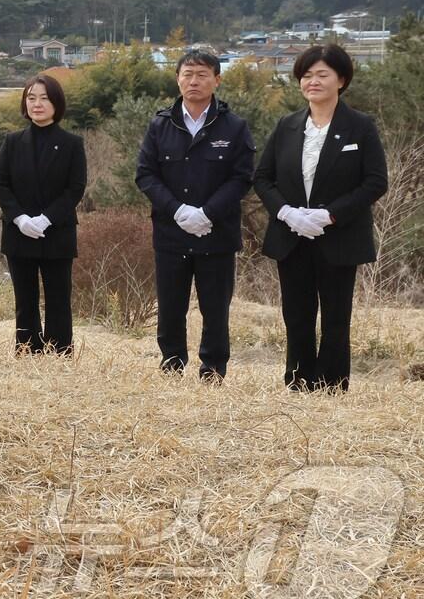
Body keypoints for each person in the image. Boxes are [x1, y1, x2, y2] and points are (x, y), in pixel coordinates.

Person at [253, 44, 388, 392]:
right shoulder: (287, 125)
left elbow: (375, 181)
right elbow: (262, 177)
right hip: (291, 234)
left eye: (322, 75)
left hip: (339, 235)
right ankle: (298, 381)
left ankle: (331, 384)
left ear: (341, 80)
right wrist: (286, 213)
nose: (313, 81)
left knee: (335, 316)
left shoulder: (359, 126)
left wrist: (330, 215)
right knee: (296, 314)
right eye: (307, 75)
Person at [135, 49, 256, 380]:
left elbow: (242, 177)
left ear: (217, 80)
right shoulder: (160, 125)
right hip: (171, 233)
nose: (194, 81)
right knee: (171, 306)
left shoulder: (234, 127)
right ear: (177, 79)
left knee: (215, 308)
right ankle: (172, 362)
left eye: (202, 74)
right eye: (187, 74)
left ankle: (213, 368)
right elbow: (145, 174)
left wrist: (207, 213)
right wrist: (178, 211)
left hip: (216, 234)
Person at [0, 74, 86, 354]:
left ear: (56, 103)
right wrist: (20, 218)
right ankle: (27, 348)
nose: (37, 104)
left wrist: (46, 218)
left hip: (56, 232)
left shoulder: (72, 143)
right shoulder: (12, 141)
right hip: (18, 232)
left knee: (59, 296)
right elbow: (1, 183)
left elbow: (75, 188)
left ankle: (59, 350)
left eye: (44, 98)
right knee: (25, 297)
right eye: (31, 98)